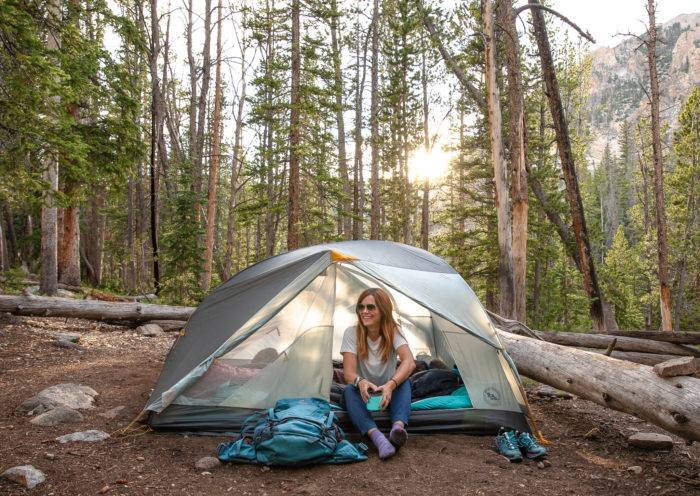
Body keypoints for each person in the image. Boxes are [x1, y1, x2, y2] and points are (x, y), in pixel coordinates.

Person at [341, 287, 416, 459]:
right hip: (365, 396)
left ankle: (397, 430)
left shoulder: (393, 331)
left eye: (370, 307)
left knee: (405, 382)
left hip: (388, 396)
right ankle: (379, 439)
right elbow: (348, 374)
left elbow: (409, 361)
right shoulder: (351, 333)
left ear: (383, 310)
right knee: (347, 391)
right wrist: (360, 382)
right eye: (361, 307)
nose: (364, 312)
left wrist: (391, 385)